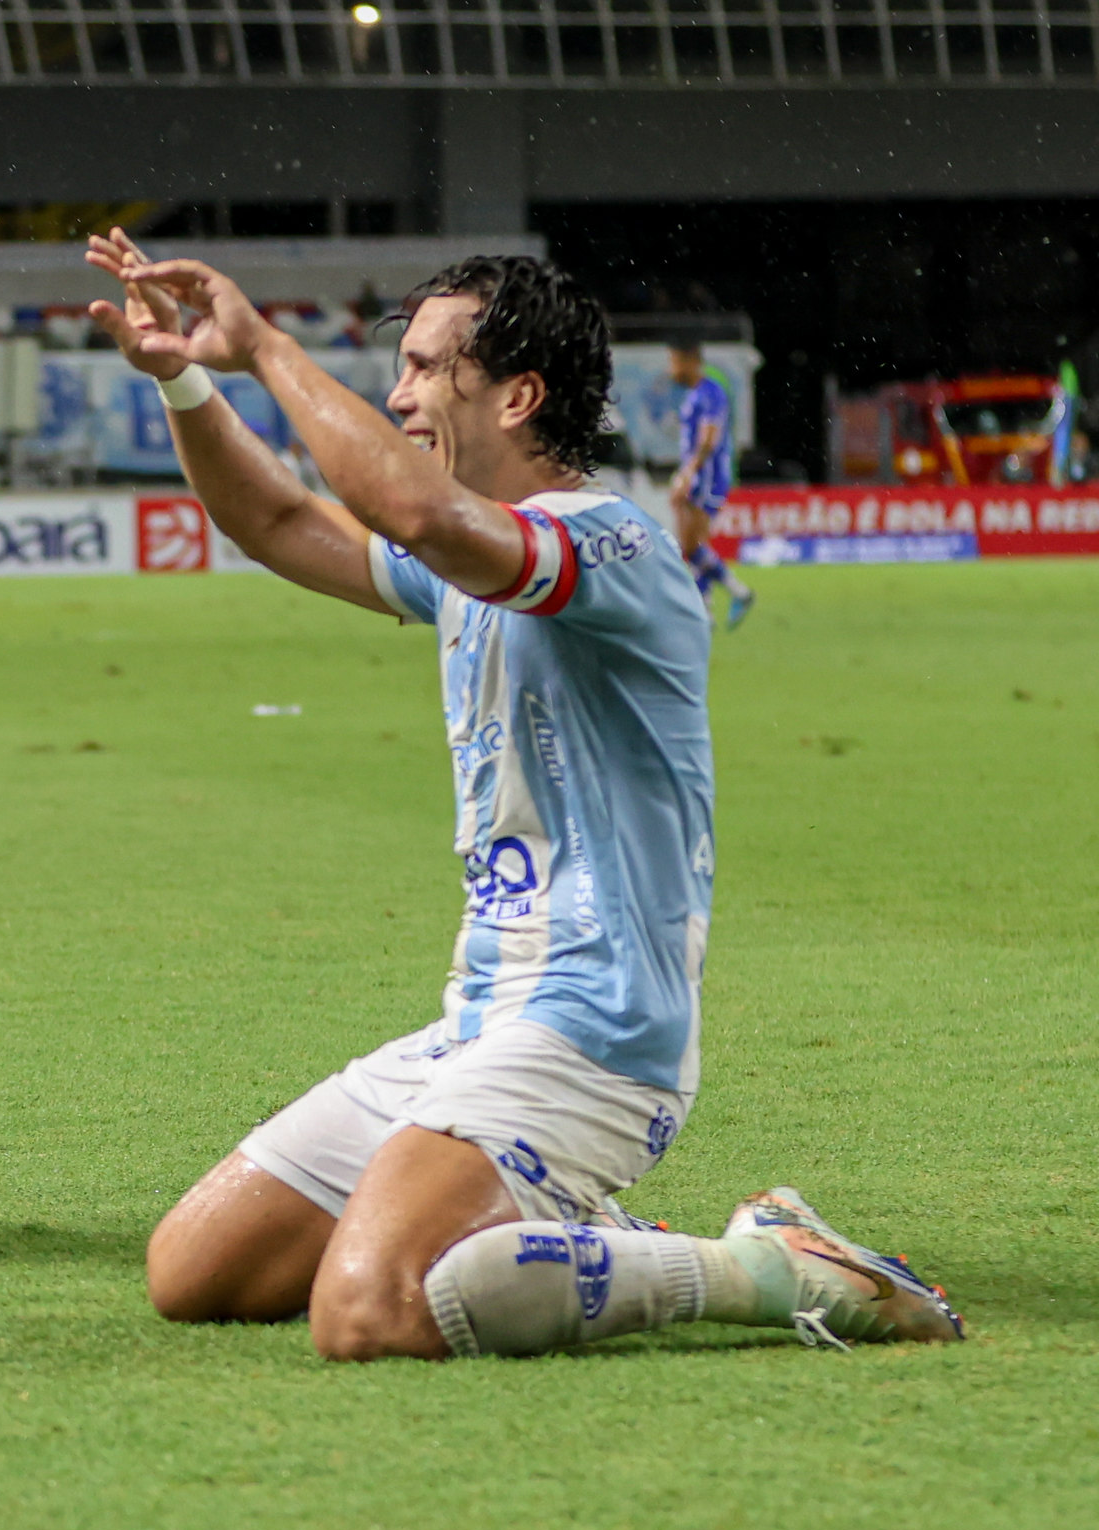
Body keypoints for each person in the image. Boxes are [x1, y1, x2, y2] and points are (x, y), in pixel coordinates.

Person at [84, 230, 962, 1361]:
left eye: (420, 367)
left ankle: (772, 1266)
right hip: (480, 1018)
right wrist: (187, 380)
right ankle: (562, 1229)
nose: (395, 393)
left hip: (597, 1027)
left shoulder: (609, 545)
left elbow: (419, 516)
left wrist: (262, 346)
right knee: (194, 1271)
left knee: (369, 1312)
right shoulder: (471, 556)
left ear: (517, 395)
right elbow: (281, 523)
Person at [668, 342, 755, 628]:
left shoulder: (710, 392)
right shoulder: (695, 394)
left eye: (675, 362)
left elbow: (709, 439)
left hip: (707, 475)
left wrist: (688, 473)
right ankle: (706, 609)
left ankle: (734, 593)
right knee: (692, 545)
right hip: (698, 473)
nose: (672, 370)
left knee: (691, 543)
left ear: (690, 361)